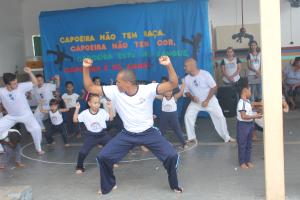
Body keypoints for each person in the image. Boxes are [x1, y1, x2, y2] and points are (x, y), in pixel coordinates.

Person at [82, 56, 183, 194]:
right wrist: (85, 67)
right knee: (103, 156)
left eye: (118, 82)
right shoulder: (114, 91)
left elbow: (173, 84)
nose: (116, 84)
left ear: (128, 83)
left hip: (149, 133)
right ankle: (109, 185)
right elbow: (89, 87)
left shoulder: (148, 90)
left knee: (171, 156)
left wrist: (168, 64)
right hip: (127, 134)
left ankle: (174, 185)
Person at [183, 58, 235, 143]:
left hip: (210, 101)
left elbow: (214, 87)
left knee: (220, 117)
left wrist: (207, 100)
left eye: (185, 66)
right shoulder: (187, 78)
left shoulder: (205, 74)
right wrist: (192, 98)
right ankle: (191, 138)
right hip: (196, 103)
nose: (184, 68)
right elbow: (186, 92)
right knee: (188, 116)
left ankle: (227, 137)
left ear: (192, 66)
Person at [0, 68, 44, 155]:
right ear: (7, 85)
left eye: (16, 82)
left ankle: (38, 149)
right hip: (11, 116)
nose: (16, 84)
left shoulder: (21, 86)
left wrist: (30, 72)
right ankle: (1, 150)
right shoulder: (1, 91)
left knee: (37, 129)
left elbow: (35, 83)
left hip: (26, 115)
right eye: (14, 83)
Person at [73, 94, 114, 174]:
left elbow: (111, 118)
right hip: (91, 136)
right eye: (95, 103)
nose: (97, 105)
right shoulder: (85, 113)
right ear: (89, 103)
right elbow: (75, 120)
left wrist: (110, 108)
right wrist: (77, 109)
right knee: (83, 152)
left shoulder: (102, 111)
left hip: (102, 134)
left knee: (113, 145)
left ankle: (112, 162)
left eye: (98, 103)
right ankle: (79, 167)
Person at [236, 85, 262, 169]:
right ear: (245, 91)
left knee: (249, 144)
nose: (251, 93)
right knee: (242, 144)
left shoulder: (247, 101)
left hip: (249, 124)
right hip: (243, 125)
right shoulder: (241, 103)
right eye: (250, 91)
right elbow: (243, 116)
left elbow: (250, 110)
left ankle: (248, 161)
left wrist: (256, 113)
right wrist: (255, 117)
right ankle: (242, 162)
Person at [156, 79, 187, 148]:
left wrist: (183, 84)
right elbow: (154, 94)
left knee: (177, 129)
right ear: (163, 92)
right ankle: (159, 144)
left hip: (173, 115)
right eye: (166, 91)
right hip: (164, 115)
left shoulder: (175, 97)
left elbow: (181, 92)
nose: (168, 93)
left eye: (169, 91)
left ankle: (184, 143)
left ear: (172, 91)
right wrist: (154, 85)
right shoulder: (162, 97)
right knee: (161, 129)